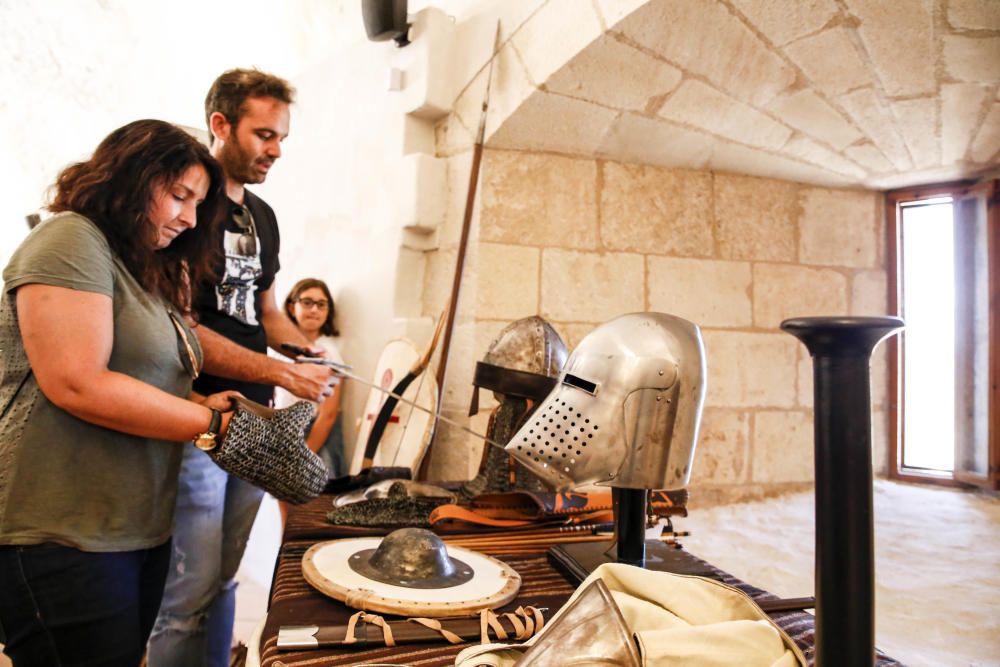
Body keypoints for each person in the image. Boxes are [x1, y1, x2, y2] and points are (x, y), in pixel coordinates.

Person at [0, 119, 240, 665]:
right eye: (179, 195)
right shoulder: (70, 239)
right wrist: (212, 428)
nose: (189, 217)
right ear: (130, 178)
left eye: (199, 203)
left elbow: (144, 381)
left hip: (133, 528)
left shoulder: (145, 270)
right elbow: (77, 382)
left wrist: (206, 405)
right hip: (63, 531)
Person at [147, 68, 334, 667]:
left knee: (225, 579)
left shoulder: (264, 217)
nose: (275, 150)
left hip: (256, 416)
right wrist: (282, 372)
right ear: (220, 125)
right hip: (197, 416)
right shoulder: (187, 207)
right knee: (185, 596)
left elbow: (266, 315)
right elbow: (181, 328)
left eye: (281, 137)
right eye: (263, 135)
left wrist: (306, 354)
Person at [276, 278, 347, 477]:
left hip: (314, 437)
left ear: (328, 311)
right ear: (292, 307)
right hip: (284, 432)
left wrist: (303, 455)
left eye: (321, 304)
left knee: (312, 505)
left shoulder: (328, 354)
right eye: (307, 302)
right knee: (285, 498)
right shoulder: (281, 349)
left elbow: (328, 414)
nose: (314, 310)